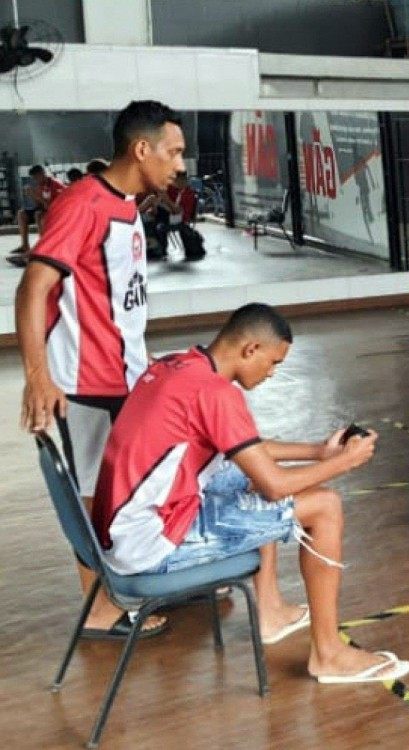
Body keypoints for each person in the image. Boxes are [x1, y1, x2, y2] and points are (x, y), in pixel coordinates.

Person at [91, 304, 409, 682]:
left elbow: (249, 451)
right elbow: (275, 486)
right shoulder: (215, 393)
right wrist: (345, 462)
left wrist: (317, 452)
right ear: (250, 349)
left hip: (122, 529)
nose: (272, 373)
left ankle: (270, 612)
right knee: (325, 505)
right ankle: (328, 654)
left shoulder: (180, 365)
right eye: (273, 362)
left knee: (246, 476)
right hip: (148, 546)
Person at [16, 100, 184, 640]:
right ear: (142, 149)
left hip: (123, 375)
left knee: (131, 489)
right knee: (94, 495)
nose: (180, 164)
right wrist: (38, 376)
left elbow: (114, 298)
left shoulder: (126, 205)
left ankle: (141, 581)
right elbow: (32, 287)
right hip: (85, 383)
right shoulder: (83, 203)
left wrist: (141, 357)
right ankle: (101, 608)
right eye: (173, 152)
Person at [6, 165, 66, 267]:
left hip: (56, 212)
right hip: (44, 209)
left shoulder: (56, 185)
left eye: (36, 177)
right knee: (22, 214)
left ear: (42, 174)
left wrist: (35, 196)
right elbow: (39, 205)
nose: (35, 180)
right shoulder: (39, 185)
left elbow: (51, 207)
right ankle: (25, 245)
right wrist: (32, 196)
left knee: (38, 215)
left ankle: (44, 246)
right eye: (33, 178)